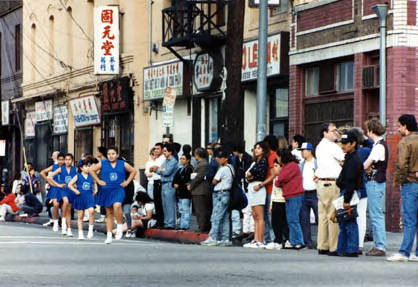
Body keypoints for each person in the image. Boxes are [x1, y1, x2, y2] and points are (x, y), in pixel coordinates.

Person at [89, 146, 137, 244]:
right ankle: (109, 235)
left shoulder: (122, 163)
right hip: (106, 189)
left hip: (118, 188)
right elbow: (91, 170)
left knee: (117, 205)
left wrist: (127, 182)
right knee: (109, 212)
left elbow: (133, 171)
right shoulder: (103, 163)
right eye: (109, 154)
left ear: (117, 155)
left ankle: (119, 226)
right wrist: (98, 180)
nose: (111, 156)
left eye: (113, 154)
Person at [387, 114, 418, 262]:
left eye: (399, 125)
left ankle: (404, 251)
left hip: (410, 183)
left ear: (405, 126)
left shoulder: (405, 142)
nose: (398, 128)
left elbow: (401, 164)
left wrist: (399, 181)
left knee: (409, 219)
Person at [315, 123, 345, 255]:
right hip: (332, 183)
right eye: (333, 131)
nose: (336, 133)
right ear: (324, 133)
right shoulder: (333, 147)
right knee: (333, 215)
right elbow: (344, 159)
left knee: (323, 215)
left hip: (321, 183)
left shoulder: (319, 146)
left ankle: (322, 245)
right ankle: (334, 247)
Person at [361, 119, 388, 256]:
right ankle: (378, 245)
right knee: (376, 214)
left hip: (374, 182)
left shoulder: (378, 146)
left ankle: (380, 246)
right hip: (377, 181)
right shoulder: (379, 145)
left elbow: (366, 165)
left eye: (368, 130)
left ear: (371, 131)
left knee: (376, 215)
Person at [336, 131, 363, 257]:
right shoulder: (350, 157)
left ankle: (351, 249)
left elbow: (351, 181)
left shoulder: (353, 159)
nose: (343, 146)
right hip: (347, 191)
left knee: (349, 220)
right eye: (342, 143)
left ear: (353, 144)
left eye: (346, 144)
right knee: (344, 220)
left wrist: (347, 199)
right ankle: (343, 248)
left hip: (349, 192)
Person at [201, 148, 233, 246]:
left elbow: (214, 180)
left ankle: (213, 237)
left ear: (225, 158)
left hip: (220, 193)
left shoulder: (223, 169)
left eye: (220, 158)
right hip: (227, 193)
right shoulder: (231, 167)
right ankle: (225, 238)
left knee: (216, 216)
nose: (218, 159)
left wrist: (216, 180)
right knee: (225, 217)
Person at [275, 148, 305, 249]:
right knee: (291, 219)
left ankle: (299, 241)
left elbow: (280, 179)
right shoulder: (290, 165)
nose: (277, 159)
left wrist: (280, 179)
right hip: (291, 195)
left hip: (294, 195)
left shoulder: (291, 166)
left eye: (278, 157)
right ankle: (293, 241)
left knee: (293, 219)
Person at [350, 127, 371, 255]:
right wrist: (365, 138)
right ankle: (360, 244)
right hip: (362, 187)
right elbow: (372, 145)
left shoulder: (349, 153)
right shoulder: (365, 151)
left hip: (351, 187)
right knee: (361, 216)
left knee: (350, 215)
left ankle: (352, 242)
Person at [243, 142, 268, 249]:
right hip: (252, 187)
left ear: (263, 150)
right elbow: (247, 175)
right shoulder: (255, 161)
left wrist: (250, 175)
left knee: (259, 215)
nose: (256, 150)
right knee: (254, 215)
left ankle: (260, 240)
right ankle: (255, 238)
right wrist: (249, 175)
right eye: (255, 148)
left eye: (259, 148)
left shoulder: (263, 161)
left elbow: (252, 173)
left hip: (258, 187)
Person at [49, 153, 77, 237]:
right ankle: (63, 223)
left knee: (69, 209)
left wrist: (76, 185)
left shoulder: (75, 169)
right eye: (66, 159)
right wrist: (57, 185)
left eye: (69, 160)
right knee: (65, 201)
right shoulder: (61, 169)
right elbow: (50, 177)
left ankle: (68, 229)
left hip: (70, 190)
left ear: (72, 161)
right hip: (63, 189)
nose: (68, 161)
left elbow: (78, 178)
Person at [68, 159, 97, 240]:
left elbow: (95, 182)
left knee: (91, 211)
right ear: (81, 168)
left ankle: (90, 230)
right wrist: (76, 191)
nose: (88, 168)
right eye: (86, 166)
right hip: (80, 196)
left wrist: (96, 190)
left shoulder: (91, 175)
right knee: (81, 215)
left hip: (89, 195)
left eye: (89, 166)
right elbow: (70, 184)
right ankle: (80, 233)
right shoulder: (78, 176)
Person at [151, 144, 178, 229]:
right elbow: (162, 169)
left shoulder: (173, 161)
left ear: (170, 152)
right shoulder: (165, 161)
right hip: (163, 184)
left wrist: (159, 170)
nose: (164, 153)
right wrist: (161, 170)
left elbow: (166, 172)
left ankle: (171, 223)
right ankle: (166, 223)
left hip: (169, 184)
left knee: (169, 205)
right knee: (164, 205)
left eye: (165, 151)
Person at [232, 141, 253, 241]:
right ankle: (245, 230)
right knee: (245, 210)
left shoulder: (247, 159)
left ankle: (251, 230)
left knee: (249, 209)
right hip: (241, 186)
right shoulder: (237, 159)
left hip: (248, 186)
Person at [299, 142, 318, 249]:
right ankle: (307, 242)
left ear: (310, 151)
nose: (302, 152)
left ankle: (322, 241)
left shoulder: (316, 163)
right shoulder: (302, 164)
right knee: (304, 219)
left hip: (315, 192)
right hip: (304, 193)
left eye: (303, 150)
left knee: (319, 217)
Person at [260, 135, 279, 245]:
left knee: (268, 215)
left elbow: (273, 174)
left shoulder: (272, 156)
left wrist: (262, 184)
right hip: (269, 189)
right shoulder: (272, 155)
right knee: (267, 215)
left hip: (270, 189)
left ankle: (270, 239)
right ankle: (268, 239)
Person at [41, 153, 65, 232]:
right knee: (56, 204)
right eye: (59, 160)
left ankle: (64, 222)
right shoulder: (54, 167)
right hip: (55, 187)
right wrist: (48, 181)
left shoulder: (67, 168)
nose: (61, 161)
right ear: (57, 160)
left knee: (64, 205)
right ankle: (55, 221)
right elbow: (42, 172)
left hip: (64, 187)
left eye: (63, 160)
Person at [188, 147, 211, 233]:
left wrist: (191, 185)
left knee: (200, 210)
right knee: (200, 210)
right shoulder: (200, 164)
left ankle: (202, 227)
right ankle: (202, 226)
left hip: (200, 190)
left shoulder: (203, 164)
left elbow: (198, 177)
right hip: (197, 190)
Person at [270, 159, 289, 249]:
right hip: (275, 200)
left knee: (283, 222)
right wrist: (271, 203)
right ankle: (278, 240)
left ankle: (287, 239)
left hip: (282, 201)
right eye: (274, 166)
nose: (274, 168)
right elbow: (273, 191)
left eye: (276, 166)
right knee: (275, 222)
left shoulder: (284, 176)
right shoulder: (275, 177)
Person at [173, 153, 193, 230]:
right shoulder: (180, 169)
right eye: (181, 158)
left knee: (185, 209)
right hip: (179, 192)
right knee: (181, 210)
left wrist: (179, 184)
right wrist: (174, 183)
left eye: (183, 159)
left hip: (185, 192)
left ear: (188, 160)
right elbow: (175, 178)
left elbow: (186, 180)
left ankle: (185, 225)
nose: (181, 160)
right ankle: (182, 225)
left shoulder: (189, 169)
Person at [150, 143, 165, 228]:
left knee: (159, 203)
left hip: (159, 182)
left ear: (162, 150)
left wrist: (153, 168)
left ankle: (161, 222)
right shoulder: (157, 159)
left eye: (158, 149)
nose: (156, 150)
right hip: (155, 181)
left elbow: (155, 168)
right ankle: (158, 221)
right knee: (156, 203)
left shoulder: (162, 158)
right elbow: (151, 169)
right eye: (155, 149)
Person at [96, 147, 108, 224]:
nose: (97, 153)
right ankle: (103, 215)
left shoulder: (104, 162)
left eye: (98, 151)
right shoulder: (102, 161)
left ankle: (104, 216)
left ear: (101, 153)